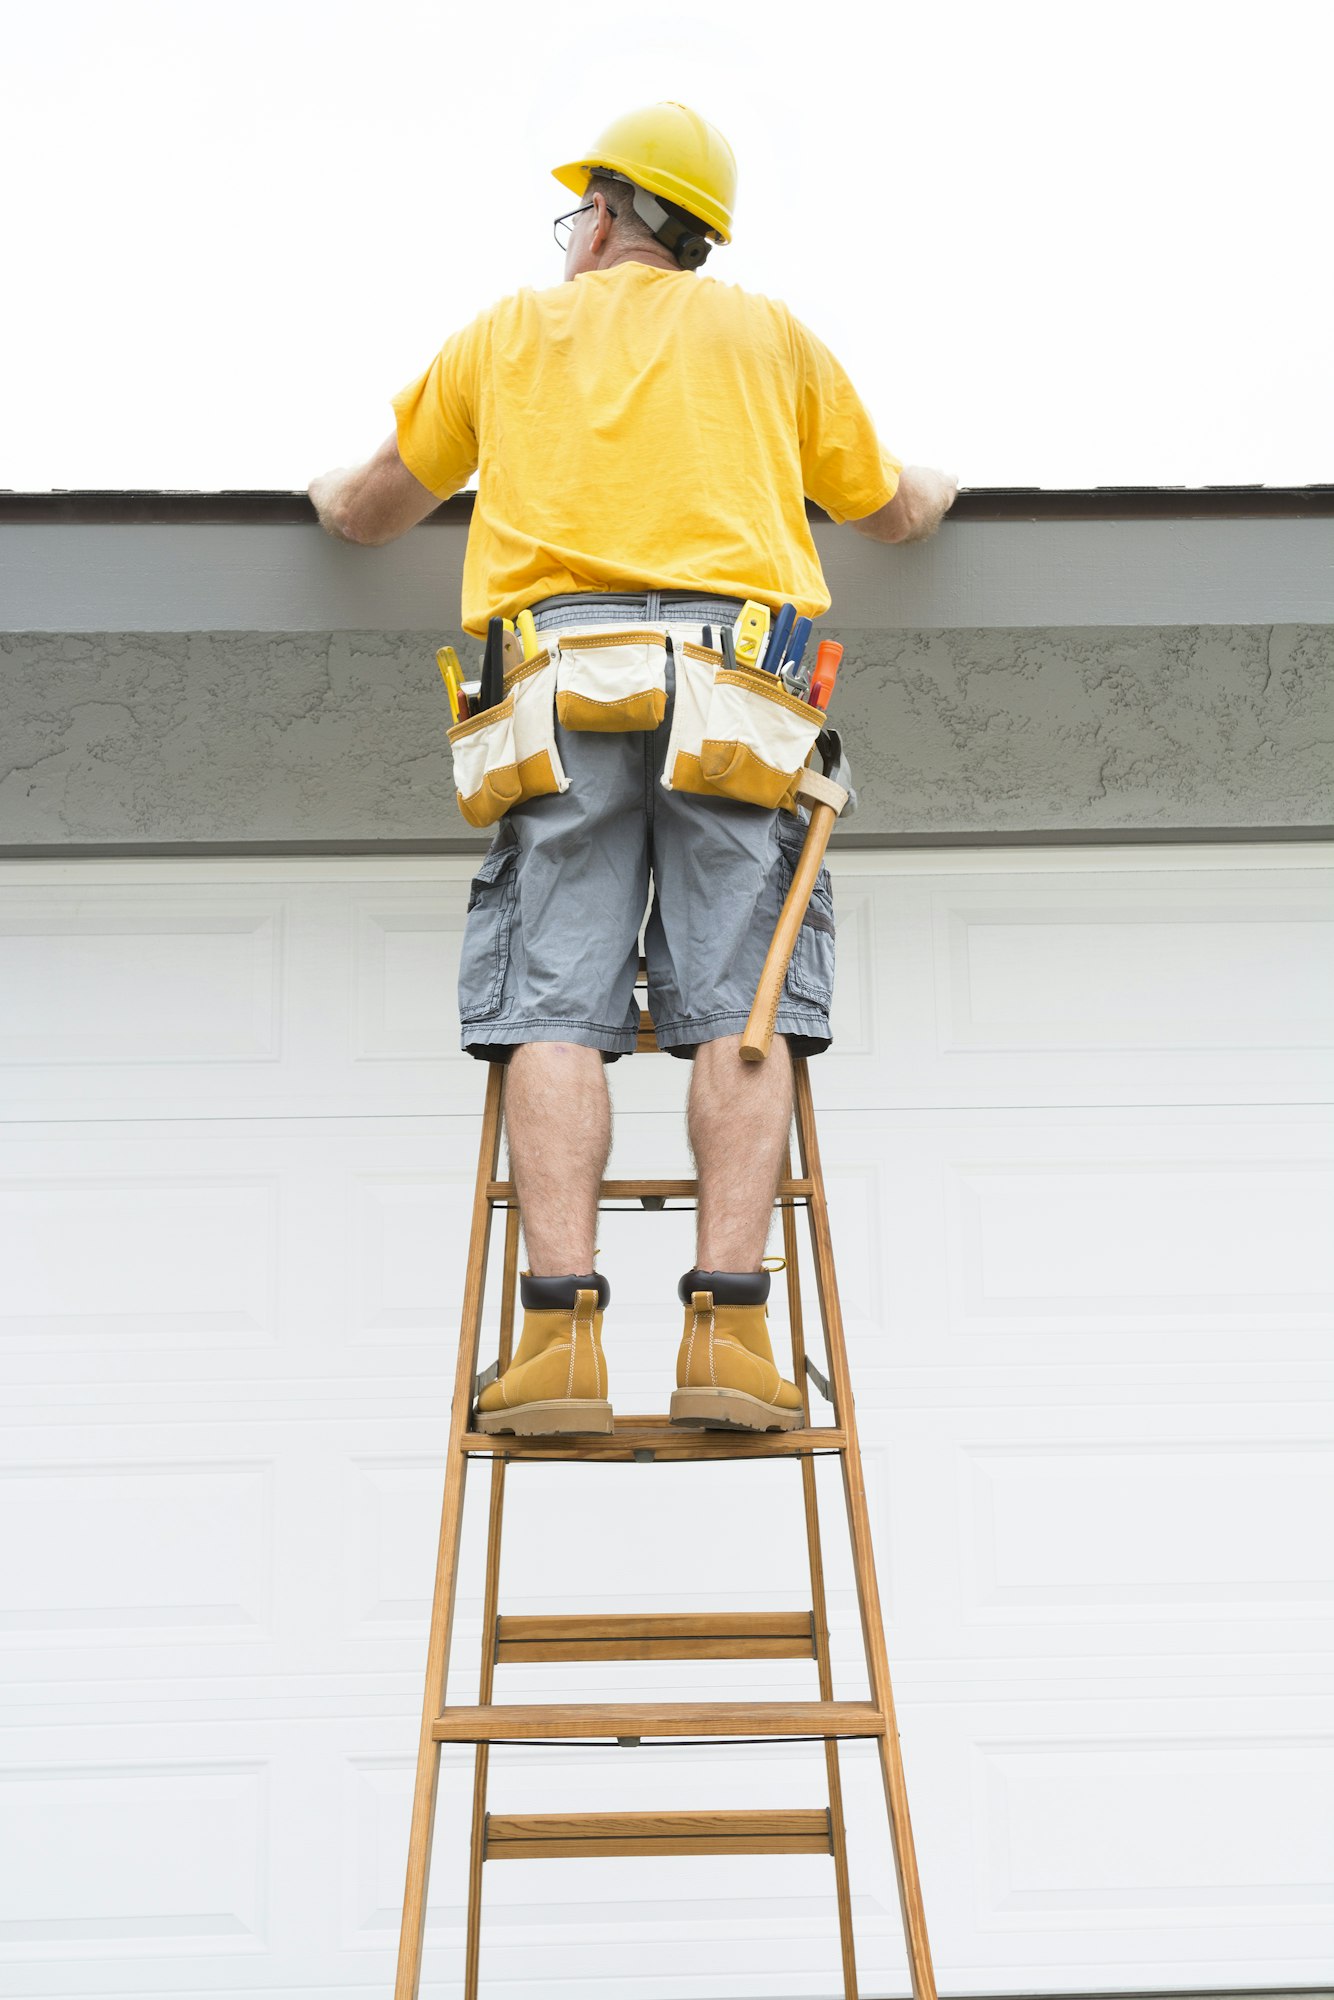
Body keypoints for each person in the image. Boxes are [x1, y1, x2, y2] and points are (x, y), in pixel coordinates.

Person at [310, 102, 957, 1439]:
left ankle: (556, 1344)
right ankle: (727, 1336)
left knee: (555, 991)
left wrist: (326, 496)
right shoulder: (767, 336)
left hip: (557, 683)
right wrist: (931, 491)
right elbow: (885, 508)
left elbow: (376, 505)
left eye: (575, 217)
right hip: (735, 685)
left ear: (604, 216)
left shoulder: (507, 335)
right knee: (744, 1003)